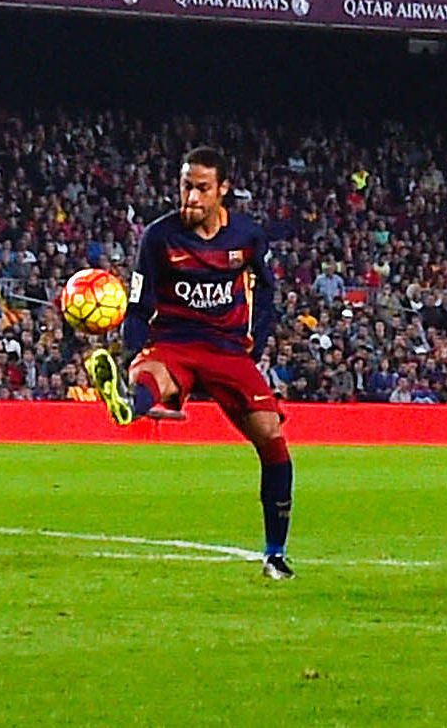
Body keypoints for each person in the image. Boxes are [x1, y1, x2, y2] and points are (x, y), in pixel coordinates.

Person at [85, 147, 294, 580]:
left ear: (222, 190)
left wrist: (258, 344)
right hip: (174, 341)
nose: (192, 198)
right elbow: (140, 305)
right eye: (186, 187)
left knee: (272, 440)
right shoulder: (159, 238)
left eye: (202, 188)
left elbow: (268, 290)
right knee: (151, 376)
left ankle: (275, 554)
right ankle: (128, 397)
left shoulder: (247, 237)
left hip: (227, 349)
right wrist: (131, 354)